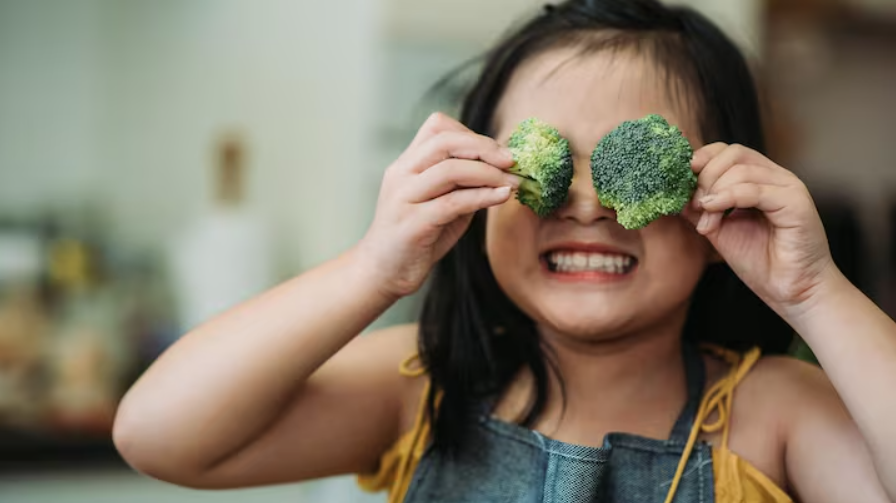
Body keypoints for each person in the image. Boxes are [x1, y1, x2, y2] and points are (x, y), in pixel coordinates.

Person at [111, 1, 896, 501]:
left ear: (725, 209)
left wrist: (812, 291)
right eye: (541, 163)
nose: (587, 201)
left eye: (633, 164)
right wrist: (372, 268)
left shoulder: (776, 412)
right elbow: (157, 434)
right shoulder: (419, 388)